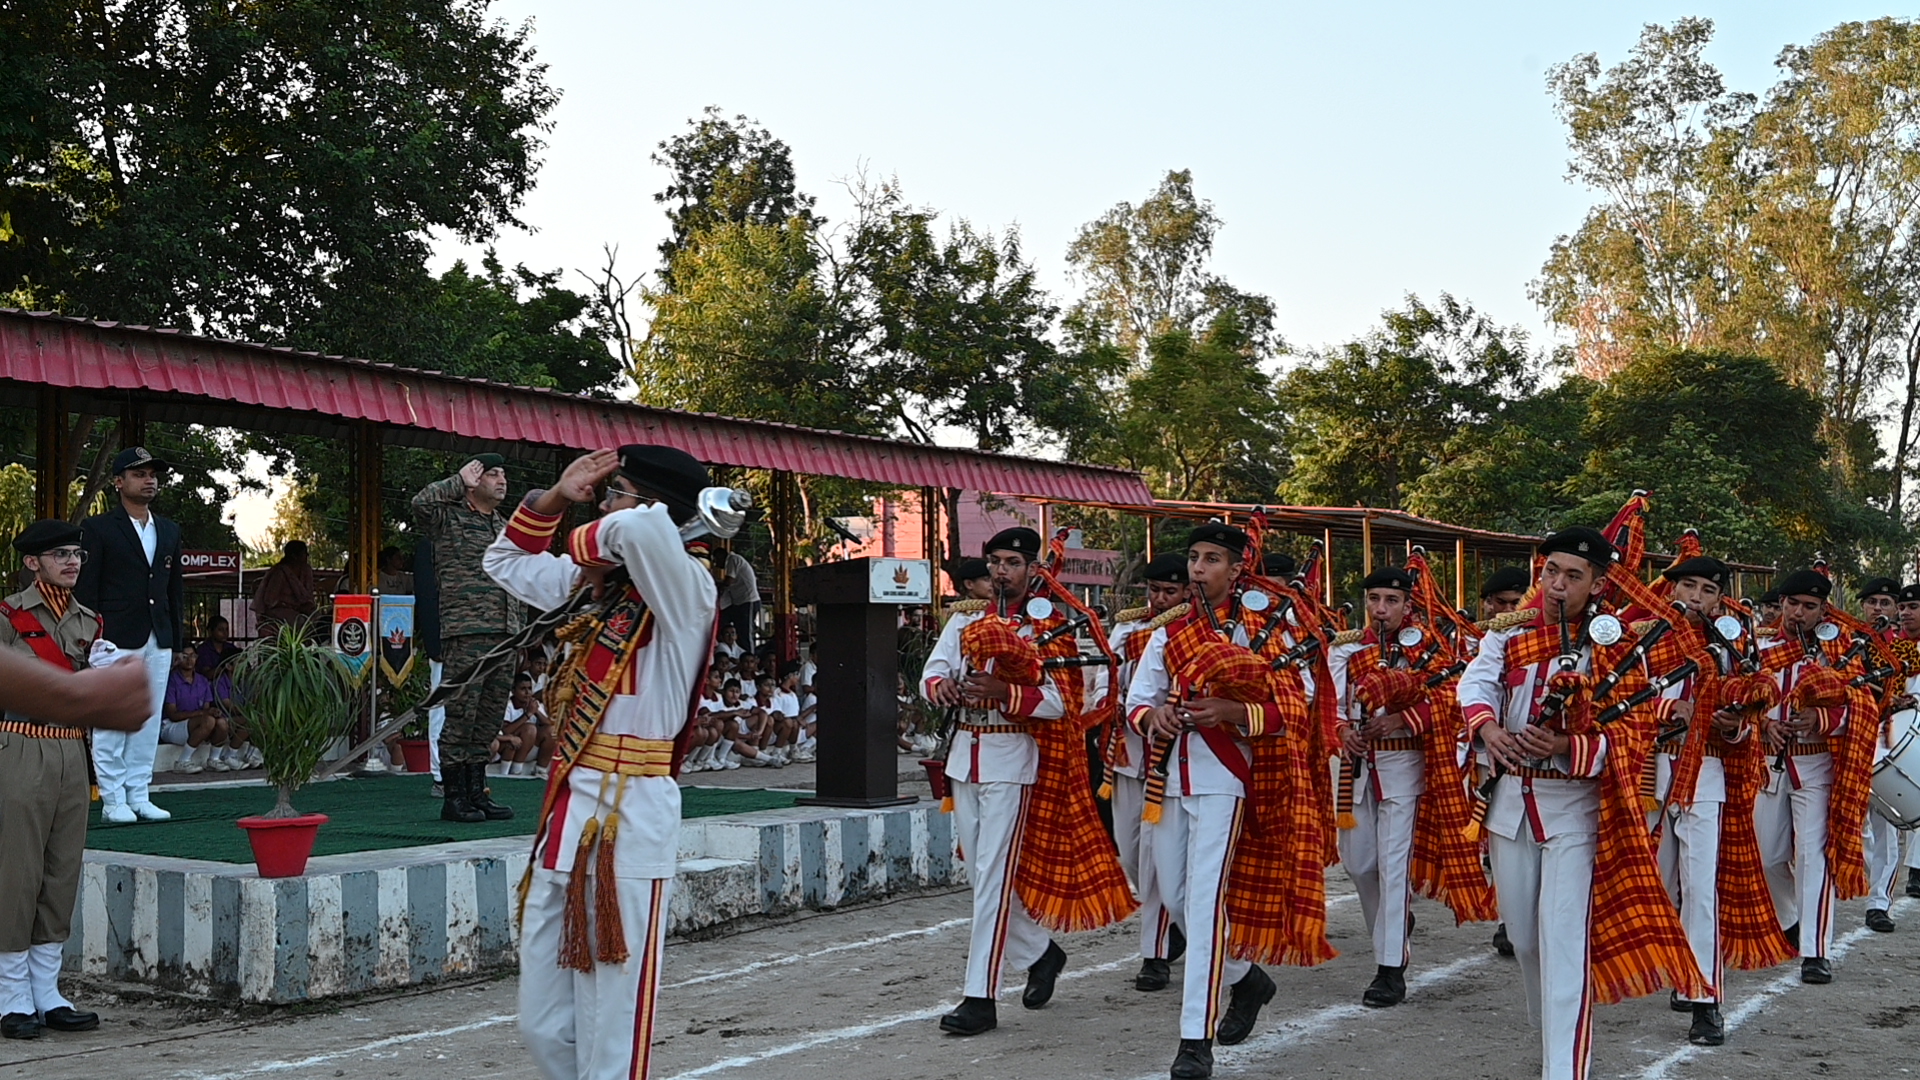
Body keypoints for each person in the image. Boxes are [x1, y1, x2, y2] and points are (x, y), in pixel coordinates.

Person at [481, 445, 717, 1080]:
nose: (605, 503)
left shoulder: (688, 587)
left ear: (654, 504)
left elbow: (639, 531)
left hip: (631, 815)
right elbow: (503, 561)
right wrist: (556, 498)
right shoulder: (604, 587)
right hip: (568, 811)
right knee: (542, 1019)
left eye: (616, 492)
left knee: (614, 1014)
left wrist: (597, 536)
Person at [1457, 526, 1707, 1080]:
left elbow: (1636, 732)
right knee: (1525, 939)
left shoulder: (1616, 646)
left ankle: (1564, 1067)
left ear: (1596, 585)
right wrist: (1490, 729)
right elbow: (1475, 686)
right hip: (1511, 805)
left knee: (1564, 938)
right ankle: (1554, 1032)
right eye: (1551, 571)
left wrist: (1567, 746)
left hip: (1575, 808)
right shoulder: (1507, 634)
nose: (1557, 585)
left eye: (1573, 576)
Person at [1123, 523, 1324, 1078]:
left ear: (1237, 570)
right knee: (1175, 897)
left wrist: (1235, 712)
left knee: (1206, 902)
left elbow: (1298, 705)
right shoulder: (1170, 631)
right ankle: (1245, 978)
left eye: (1212, 559)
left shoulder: (1268, 628)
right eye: (1194, 557)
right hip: (1170, 778)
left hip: (1226, 776)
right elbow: (1136, 702)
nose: (1197, 567)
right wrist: (1155, 716)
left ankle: (1195, 1039)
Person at [921, 527, 1134, 1040]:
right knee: (983, 877)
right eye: (995, 561)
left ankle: (980, 997)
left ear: (1033, 570)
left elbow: (1063, 703)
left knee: (993, 878)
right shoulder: (965, 618)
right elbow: (932, 674)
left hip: (1013, 758)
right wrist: (943, 688)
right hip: (964, 758)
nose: (1001, 571)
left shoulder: (1052, 626)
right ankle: (1039, 953)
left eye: (1012, 562)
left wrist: (1004, 691)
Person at [0, 520, 113, 1040]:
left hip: (71, 749)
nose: (72, 562)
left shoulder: (90, 621)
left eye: (76, 554)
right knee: (17, 871)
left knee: (62, 869)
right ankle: (10, 994)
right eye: (60, 554)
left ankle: (47, 991)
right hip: (20, 743)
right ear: (32, 562)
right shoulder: (8, 615)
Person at [1644, 555, 1744, 1047]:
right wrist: (1668, 707)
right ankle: (1672, 969)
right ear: (1672, 590)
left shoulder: (1728, 648)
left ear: (1719, 599)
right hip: (1648, 773)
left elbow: (1747, 718)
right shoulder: (1642, 639)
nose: (1697, 598)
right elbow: (1620, 698)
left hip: (1704, 771)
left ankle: (1705, 1000)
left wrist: (1735, 723)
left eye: (1708, 590)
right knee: (1659, 884)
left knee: (1701, 889)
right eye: (1689, 586)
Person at [1754, 569, 1863, 984]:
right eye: (1794, 604)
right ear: (1782, 604)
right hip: (1767, 764)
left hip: (1816, 763)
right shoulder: (1758, 647)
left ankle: (1816, 951)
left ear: (1823, 610)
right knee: (1767, 856)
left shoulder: (1840, 652)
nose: (1800, 613)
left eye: (1810, 606)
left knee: (1812, 855)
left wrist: (1822, 719)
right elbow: (1737, 695)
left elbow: (1864, 706)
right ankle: (1791, 918)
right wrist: (1764, 723)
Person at [1328, 566, 1428, 1008]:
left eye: (1391, 600)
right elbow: (1330, 704)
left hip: (1403, 765)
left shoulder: (1425, 647)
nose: (1381, 609)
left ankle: (1390, 968)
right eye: (1374, 599)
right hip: (1357, 768)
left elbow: (1447, 698)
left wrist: (1402, 719)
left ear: (1407, 604)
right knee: (1357, 862)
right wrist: (1340, 731)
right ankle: (1391, 930)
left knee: (1393, 865)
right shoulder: (1345, 649)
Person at [76, 446, 184, 825]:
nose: (149, 480)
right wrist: (90, 637)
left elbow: (174, 590)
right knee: (112, 718)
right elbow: (86, 589)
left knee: (148, 718)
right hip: (114, 636)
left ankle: (140, 793)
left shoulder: (168, 530)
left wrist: (177, 640)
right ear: (118, 482)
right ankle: (112, 798)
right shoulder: (98, 529)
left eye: (152, 474)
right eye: (139, 474)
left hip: (158, 634)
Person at [413, 453, 521, 824]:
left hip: (506, 633)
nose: (502, 480)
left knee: (488, 719)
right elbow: (421, 504)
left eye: (503, 474)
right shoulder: (450, 518)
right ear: (474, 482)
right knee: (461, 715)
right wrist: (458, 482)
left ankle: (478, 793)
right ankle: (454, 796)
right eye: (493, 474)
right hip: (467, 631)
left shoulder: (505, 526)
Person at [1102, 552, 1190, 992]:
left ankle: (1154, 956)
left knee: (1157, 860)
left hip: (1169, 758)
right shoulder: (1127, 629)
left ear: (1187, 592)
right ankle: (1176, 920)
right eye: (1154, 590)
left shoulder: (1191, 631)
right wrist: (1109, 702)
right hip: (1127, 753)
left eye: (1170, 591)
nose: (1160, 599)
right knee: (1132, 853)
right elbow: (1103, 682)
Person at [1857, 576, 1904, 933]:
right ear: (1863, 606)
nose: (1878, 608)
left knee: (1885, 825)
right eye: (1872, 602)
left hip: (1889, 740)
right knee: (1854, 825)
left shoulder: (1905, 650)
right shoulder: (1845, 643)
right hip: (1850, 740)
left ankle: (1878, 903)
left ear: (1895, 609)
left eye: (1885, 603)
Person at [162, 646, 230, 773]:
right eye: (184, 656)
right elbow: (173, 715)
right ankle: (182, 761)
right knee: (208, 720)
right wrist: (203, 713)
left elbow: (206, 711)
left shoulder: (202, 681)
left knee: (221, 722)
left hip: (194, 726)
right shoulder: (171, 680)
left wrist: (213, 713)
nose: (189, 660)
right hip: (171, 726)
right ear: (178, 658)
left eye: (192, 656)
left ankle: (214, 759)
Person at [251, 540, 317, 632]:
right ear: (294, 556)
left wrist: (307, 606)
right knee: (299, 621)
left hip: (301, 608)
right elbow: (270, 600)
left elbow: (308, 595)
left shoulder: (306, 570)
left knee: (317, 618)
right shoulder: (280, 572)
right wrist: (290, 605)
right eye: (304, 553)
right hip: (279, 609)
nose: (307, 556)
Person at [716, 548, 758, 653]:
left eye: (716, 560)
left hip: (748, 601)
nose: (716, 564)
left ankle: (749, 656)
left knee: (745, 633)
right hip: (738, 603)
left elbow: (729, 581)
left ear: (721, 556)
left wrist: (718, 584)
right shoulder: (732, 562)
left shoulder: (732, 559)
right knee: (738, 632)